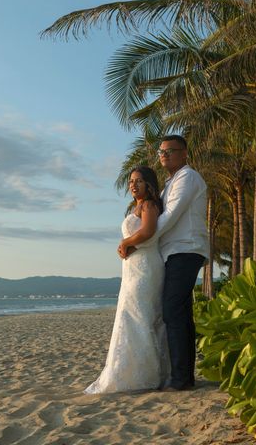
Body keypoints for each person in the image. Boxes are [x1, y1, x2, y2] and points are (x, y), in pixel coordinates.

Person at [121, 135, 208, 392]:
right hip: (171, 252)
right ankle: (182, 375)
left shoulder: (188, 178)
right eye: (161, 152)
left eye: (170, 151)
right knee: (178, 313)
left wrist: (136, 240)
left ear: (184, 153)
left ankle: (181, 379)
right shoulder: (169, 184)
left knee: (173, 311)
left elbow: (168, 218)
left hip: (186, 249)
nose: (164, 156)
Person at [85, 166, 169, 394]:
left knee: (139, 316)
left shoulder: (149, 205)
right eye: (131, 181)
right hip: (133, 268)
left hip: (145, 267)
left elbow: (148, 230)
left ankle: (146, 375)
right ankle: (129, 371)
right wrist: (127, 245)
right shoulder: (137, 206)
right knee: (131, 314)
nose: (133, 185)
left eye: (139, 181)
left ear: (149, 184)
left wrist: (125, 243)